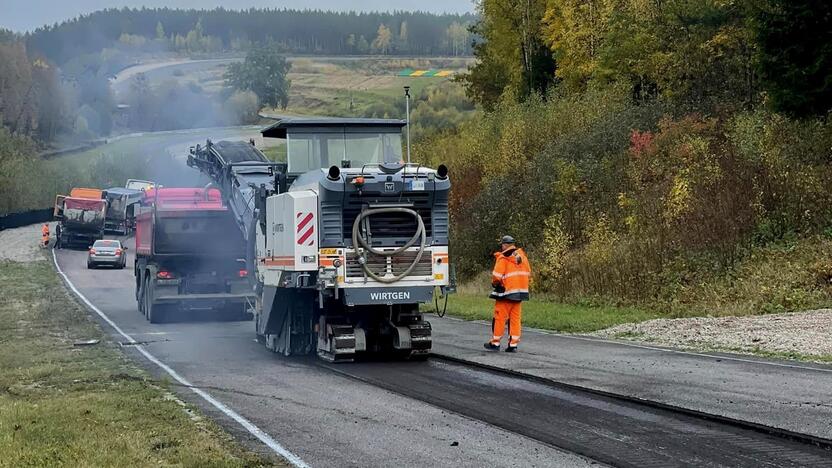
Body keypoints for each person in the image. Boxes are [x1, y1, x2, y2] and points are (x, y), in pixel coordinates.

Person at [484, 235, 531, 353]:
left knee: (499, 318)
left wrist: (496, 284)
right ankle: (513, 345)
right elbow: (528, 273)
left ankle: (495, 343)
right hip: (520, 293)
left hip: (506, 293)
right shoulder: (522, 257)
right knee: (515, 320)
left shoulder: (503, 257)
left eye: (502, 244)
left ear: (505, 245)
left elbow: (497, 276)